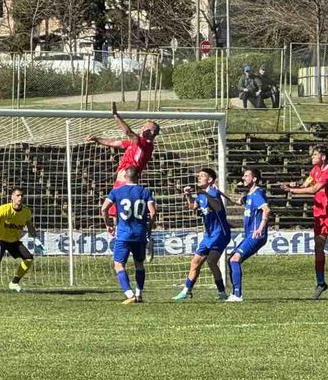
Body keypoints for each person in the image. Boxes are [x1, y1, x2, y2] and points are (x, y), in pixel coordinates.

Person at [281, 145, 328, 300]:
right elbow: (307, 184)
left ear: (323, 157)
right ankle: (321, 283)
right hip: (320, 214)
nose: (312, 157)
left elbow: (314, 189)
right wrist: (294, 185)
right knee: (318, 247)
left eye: (315, 154)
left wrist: (293, 191)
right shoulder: (314, 170)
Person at [86, 103, 160, 215]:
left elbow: (128, 132)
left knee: (116, 213)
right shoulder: (135, 143)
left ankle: (118, 230)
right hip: (122, 181)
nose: (142, 128)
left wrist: (116, 115)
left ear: (151, 133)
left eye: (146, 127)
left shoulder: (146, 144)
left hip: (126, 182)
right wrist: (97, 139)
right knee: (114, 213)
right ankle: (115, 230)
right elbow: (114, 143)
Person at [100, 167, 157, 304]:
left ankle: (129, 293)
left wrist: (108, 223)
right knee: (139, 264)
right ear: (139, 176)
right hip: (140, 234)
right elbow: (153, 213)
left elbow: (103, 208)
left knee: (119, 264)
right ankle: (139, 293)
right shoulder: (145, 192)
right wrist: (149, 227)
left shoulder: (116, 192)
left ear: (125, 176)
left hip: (124, 235)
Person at [173, 168, 231, 301]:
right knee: (194, 263)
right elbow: (193, 206)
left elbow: (217, 207)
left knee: (211, 261)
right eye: (198, 176)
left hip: (220, 234)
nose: (198, 178)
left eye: (202, 176)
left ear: (210, 180)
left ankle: (222, 293)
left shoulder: (213, 192)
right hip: (209, 235)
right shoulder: (202, 195)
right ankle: (187, 290)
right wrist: (188, 195)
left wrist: (204, 194)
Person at [0, 187, 42, 293]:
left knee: (28, 259)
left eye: (21, 196)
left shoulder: (26, 211)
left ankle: (14, 283)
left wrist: (36, 238)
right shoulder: (4, 209)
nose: (20, 197)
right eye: (17, 195)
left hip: (13, 241)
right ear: (12, 197)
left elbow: (29, 226)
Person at [226, 168, 270, 302]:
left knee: (234, 260)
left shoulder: (257, 194)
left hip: (255, 235)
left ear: (254, 179)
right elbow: (236, 201)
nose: (243, 178)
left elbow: (266, 210)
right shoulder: (249, 195)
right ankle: (234, 293)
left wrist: (260, 228)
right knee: (231, 259)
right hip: (249, 235)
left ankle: (238, 295)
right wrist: (220, 192)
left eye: (246, 176)